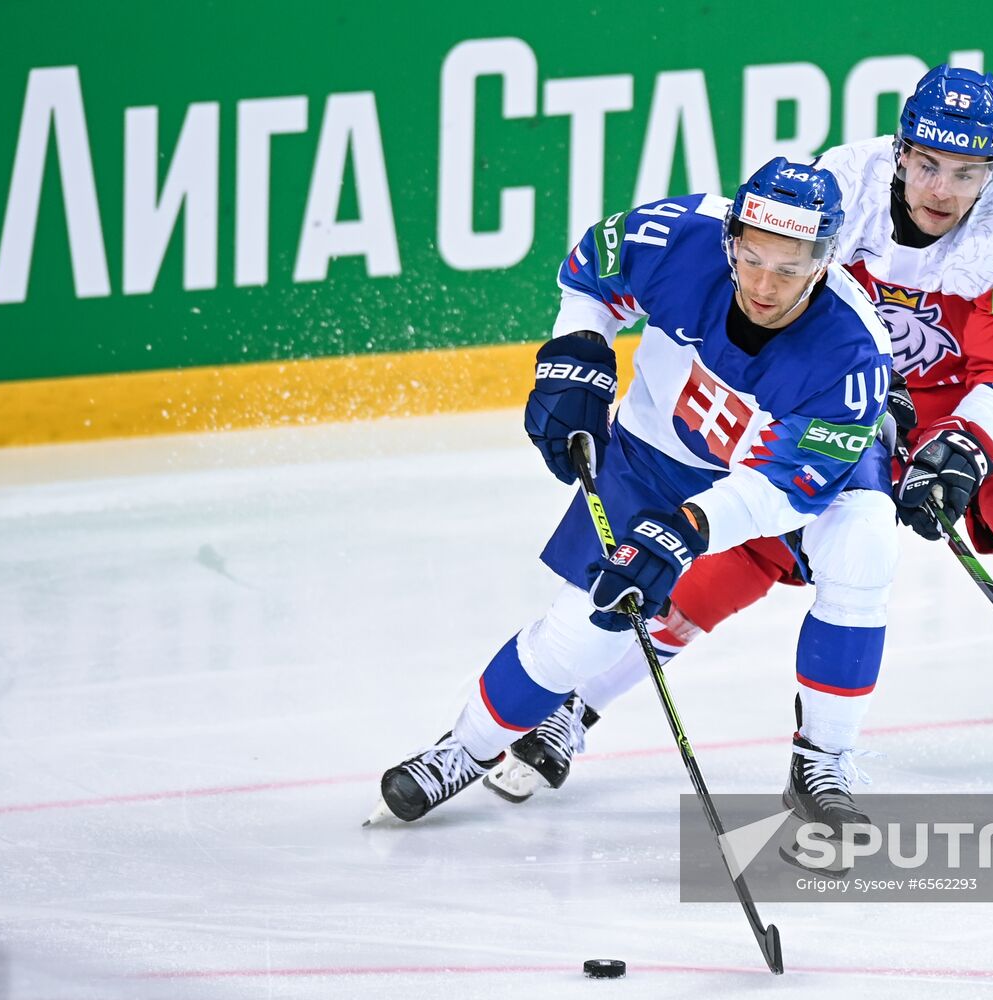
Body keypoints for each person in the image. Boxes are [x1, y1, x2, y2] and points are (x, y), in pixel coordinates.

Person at [486, 65, 993, 807]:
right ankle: (575, 705)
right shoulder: (839, 189)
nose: (941, 191)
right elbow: (762, 286)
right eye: (925, 165)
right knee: (729, 556)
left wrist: (967, 445)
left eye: (966, 172)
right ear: (900, 149)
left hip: (962, 401)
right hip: (835, 403)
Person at [367, 157, 896, 827]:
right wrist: (581, 347)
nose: (763, 285)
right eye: (751, 257)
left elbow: (785, 489)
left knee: (864, 546)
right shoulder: (679, 235)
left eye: (789, 270)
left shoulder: (853, 351)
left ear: (823, 264)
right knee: (584, 636)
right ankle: (464, 750)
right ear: (730, 238)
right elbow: (592, 269)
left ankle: (823, 759)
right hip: (655, 457)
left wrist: (690, 529)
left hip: (774, 483)